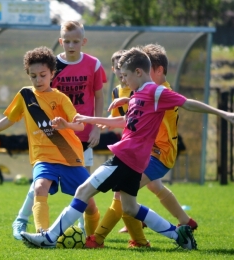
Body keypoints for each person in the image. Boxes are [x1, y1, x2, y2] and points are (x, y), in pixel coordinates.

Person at [21, 47, 226, 250]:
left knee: (83, 191)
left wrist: (225, 115)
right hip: (136, 162)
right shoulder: (138, 94)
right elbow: (126, 121)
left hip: (125, 157)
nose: (123, 80)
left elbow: (188, 103)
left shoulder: (156, 91)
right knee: (130, 207)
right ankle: (179, 235)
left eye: (126, 75)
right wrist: (90, 119)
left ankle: (49, 237)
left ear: (138, 72)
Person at [0, 46, 99, 239]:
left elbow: (80, 126)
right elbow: (8, 120)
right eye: (33, 76)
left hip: (68, 155)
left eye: (42, 75)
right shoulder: (25, 95)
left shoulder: (60, 98)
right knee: (40, 186)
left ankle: (93, 239)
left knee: (89, 204)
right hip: (43, 156)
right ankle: (43, 233)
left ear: (52, 73)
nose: (38, 80)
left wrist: (65, 124)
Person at [87, 44, 199, 249]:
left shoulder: (161, 92)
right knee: (149, 188)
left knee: (121, 195)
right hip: (146, 151)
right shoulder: (141, 91)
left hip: (159, 152)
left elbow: (177, 104)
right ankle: (182, 222)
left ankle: (100, 238)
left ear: (156, 71)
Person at [12, 21, 105, 239]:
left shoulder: (93, 64)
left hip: (82, 132)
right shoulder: (52, 64)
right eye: (67, 41)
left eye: (76, 41)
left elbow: (99, 95)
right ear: (60, 41)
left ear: (83, 41)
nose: (71, 45)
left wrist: (96, 127)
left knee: (84, 186)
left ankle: (84, 230)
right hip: (55, 133)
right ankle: (22, 221)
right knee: (41, 181)